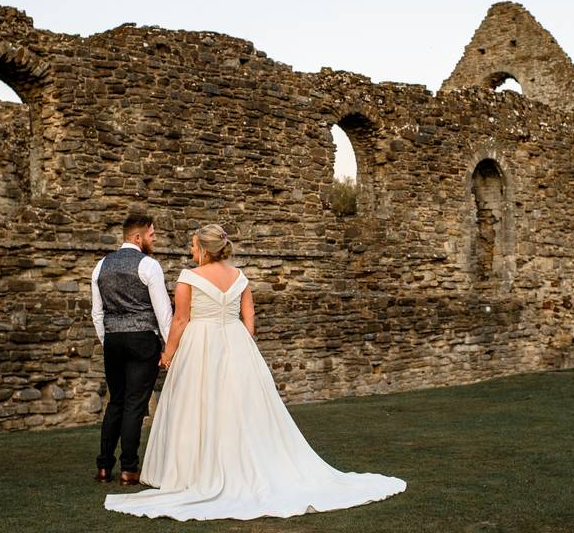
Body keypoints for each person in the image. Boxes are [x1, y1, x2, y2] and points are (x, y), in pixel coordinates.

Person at [104, 224, 405, 520]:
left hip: (199, 345)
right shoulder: (240, 277)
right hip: (236, 342)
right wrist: (240, 343)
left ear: (205, 251)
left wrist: (168, 354)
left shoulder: (189, 278)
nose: (191, 251)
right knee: (240, 408)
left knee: (198, 405)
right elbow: (250, 318)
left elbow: (181, 321)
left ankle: (193, 470)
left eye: (194, 246)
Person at [90, 212, 173, 485]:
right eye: (151, 234)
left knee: (116, 402)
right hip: (142, 340)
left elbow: (97, 313)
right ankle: (129, 469)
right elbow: (163, 312)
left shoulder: (101, 266)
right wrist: (170, 346)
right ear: (137, 237)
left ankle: (103, 467)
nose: (155, 238)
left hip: (113, 341)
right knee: (135, 405)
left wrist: (107, 341)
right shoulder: (149, 266)